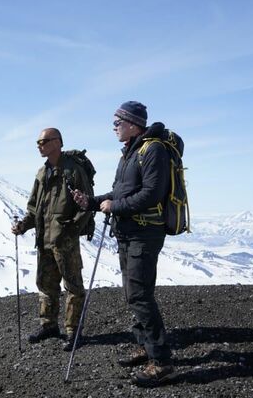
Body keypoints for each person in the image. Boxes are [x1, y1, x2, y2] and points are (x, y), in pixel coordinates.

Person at [72, 101, 176, 386]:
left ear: (132, 123)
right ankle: (145, 345)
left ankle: (162, 362)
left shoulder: (152, 150)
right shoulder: (130, 153)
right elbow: (120, 192)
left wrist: (114, 206)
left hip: (144, 233)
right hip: (129, 233)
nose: (114, 128)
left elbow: (152, 194)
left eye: (117, 123)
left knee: (140, 295)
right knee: (133, 293)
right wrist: (92, 202)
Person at [12, 128, 93, 351]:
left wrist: (73, 229)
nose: (39, 145)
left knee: (73, 285)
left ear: (57, 142)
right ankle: (48, 325)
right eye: (38, 142)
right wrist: (23, 226)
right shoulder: (42, 173)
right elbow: (33, 207)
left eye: (44, 141)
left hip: (64, 239)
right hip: (44, 239)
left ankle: (73, 331)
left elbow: (87, 204)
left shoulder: (73, 170)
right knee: (46, 284)